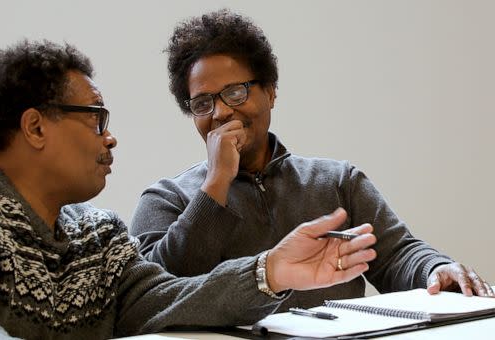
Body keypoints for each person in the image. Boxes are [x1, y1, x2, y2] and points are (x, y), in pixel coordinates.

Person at [0, 40, 378, 340]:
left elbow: (165, 299)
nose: (111, 135)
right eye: (97, 117)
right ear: (36, 128)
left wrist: (269, 271)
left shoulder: (97, 236)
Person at [129, 9, 493, 311]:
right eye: (203, 103)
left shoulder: (338, 180)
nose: (222, 111)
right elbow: (154, 298)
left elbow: (397, 254)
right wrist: (215, 186)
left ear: (271, 91)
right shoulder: (164, 198)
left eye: (235, 92)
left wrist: (436, 267)